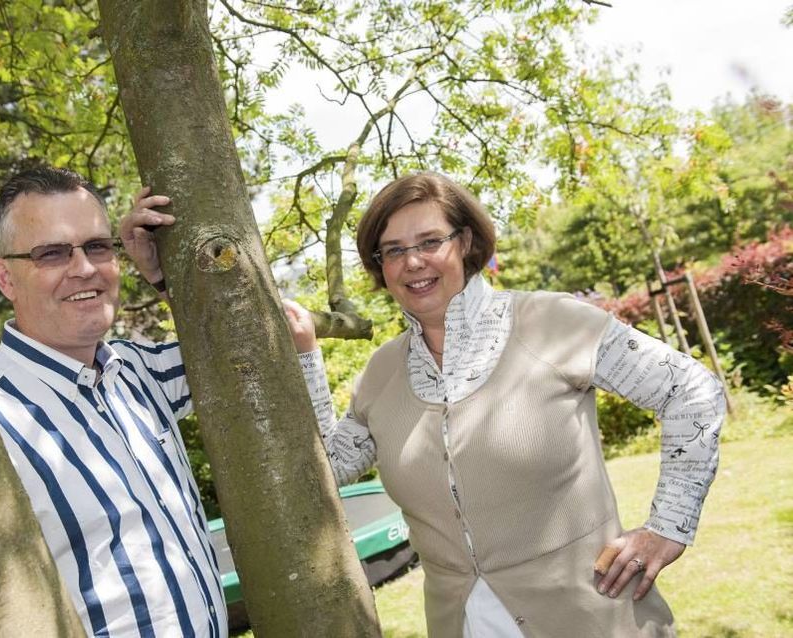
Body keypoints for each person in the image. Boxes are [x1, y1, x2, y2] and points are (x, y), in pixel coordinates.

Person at [284, 172, 725, 637]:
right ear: (381, 265)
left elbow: (691, 390)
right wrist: (306, 359)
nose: (413, 261)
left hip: (594, 619)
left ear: (466, 241)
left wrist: (668, 526)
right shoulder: (382, 371)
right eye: (393, 250)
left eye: (430, 241)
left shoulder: (553, 322)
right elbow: (325, 468)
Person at [0, 166, 226, 637]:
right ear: (6, 278)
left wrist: (161, 274)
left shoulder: (139, 371)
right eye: (52, 253)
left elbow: (249, 353)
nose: (85, 268)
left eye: (97, 246)